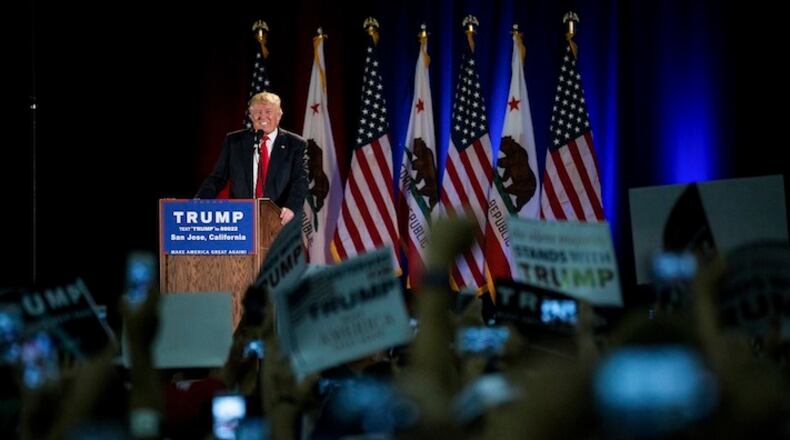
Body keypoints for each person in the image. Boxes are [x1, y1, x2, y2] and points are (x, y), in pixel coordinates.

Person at [196, 92, 308, 224]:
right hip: (241, 218)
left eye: (268, 111)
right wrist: (198, 202)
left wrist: (291, 208)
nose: (263, 116)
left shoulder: (295, 144)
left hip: (279, 219)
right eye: (257, 112)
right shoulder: (234, 142)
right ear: (250, 115)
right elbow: (217, 178)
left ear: (279, 115)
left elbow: (300, 181)